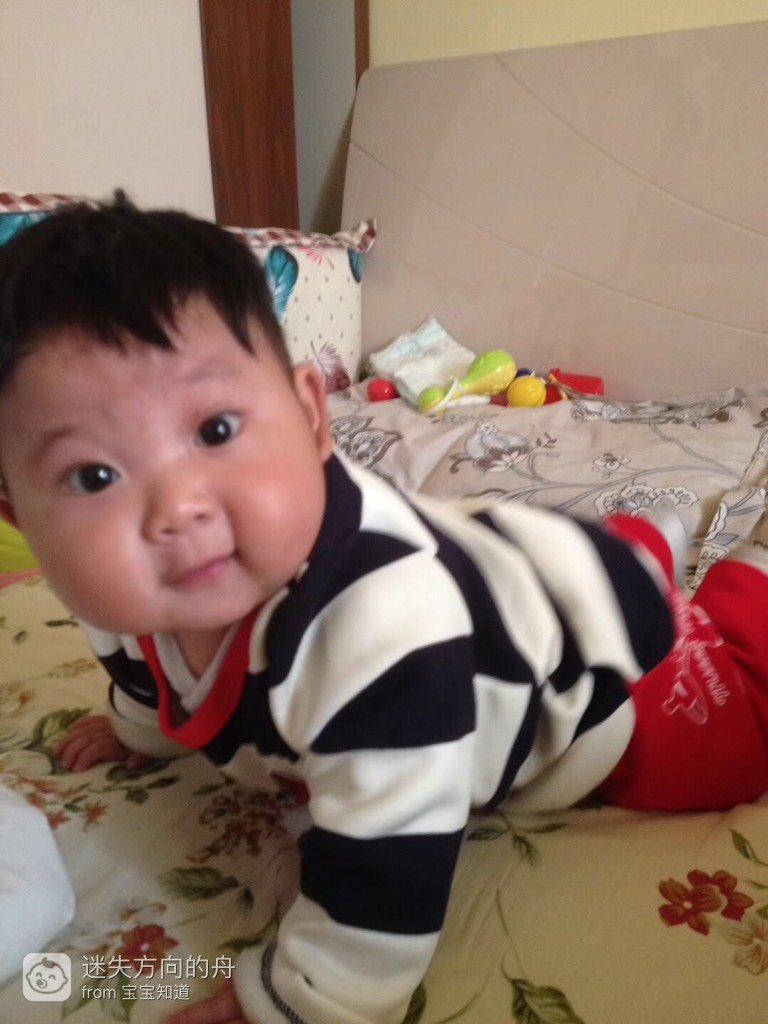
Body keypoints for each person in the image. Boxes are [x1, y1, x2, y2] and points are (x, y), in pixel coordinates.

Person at [0, 194, 766, 1024]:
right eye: (94, 476)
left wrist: (301, 1001)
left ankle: (676, 567)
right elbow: (144, 669)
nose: (176, 508)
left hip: (589, 696)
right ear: (18, 516)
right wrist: (139, 730)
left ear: (310, 416)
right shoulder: (123, 587)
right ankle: (634, 546)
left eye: (215, 429)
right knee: (512, 558)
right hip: (475, 565)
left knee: (736, 719)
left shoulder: (380, 631)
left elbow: (391, 859)